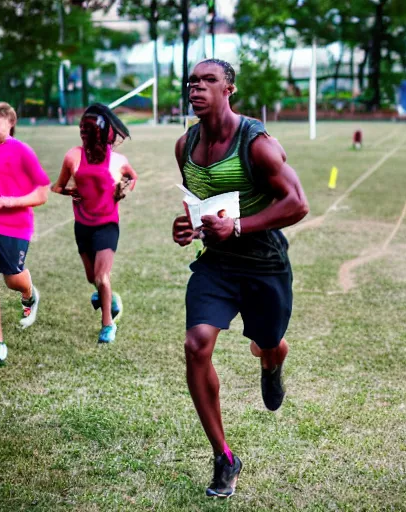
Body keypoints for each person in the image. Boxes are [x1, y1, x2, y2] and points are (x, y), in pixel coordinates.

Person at [172, 59, 309, 498]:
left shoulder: (258, 144)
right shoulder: (185, 145)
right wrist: (187, 226)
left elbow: (298, 203)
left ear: (228, 89)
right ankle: (224, 457)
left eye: (208, 80)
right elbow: (204, 206)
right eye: (193, 81)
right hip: (217, 264)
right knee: (196, 345)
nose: (197, 88)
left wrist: (239, 226)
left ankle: (272, 360)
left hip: (264, 262)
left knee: (268, 341)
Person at [0, 102, 50, 367]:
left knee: (13, 280)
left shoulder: (23, 152)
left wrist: (7, 202)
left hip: (16, 228)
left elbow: (42, 192)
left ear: (8, 122)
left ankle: (29, 294)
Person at [51, 103, 137, 344]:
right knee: (92, 278)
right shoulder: (72, 156)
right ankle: (112, 299)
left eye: (90, 129)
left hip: (107, 223)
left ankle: (108, 324)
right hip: (82, 224)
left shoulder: (118, 160)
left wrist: (123, 189)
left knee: (101, 277)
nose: (85, 134)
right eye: (83, 129)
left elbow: (132, 177)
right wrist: (70, 192)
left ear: (102, 131)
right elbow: (57, 186)